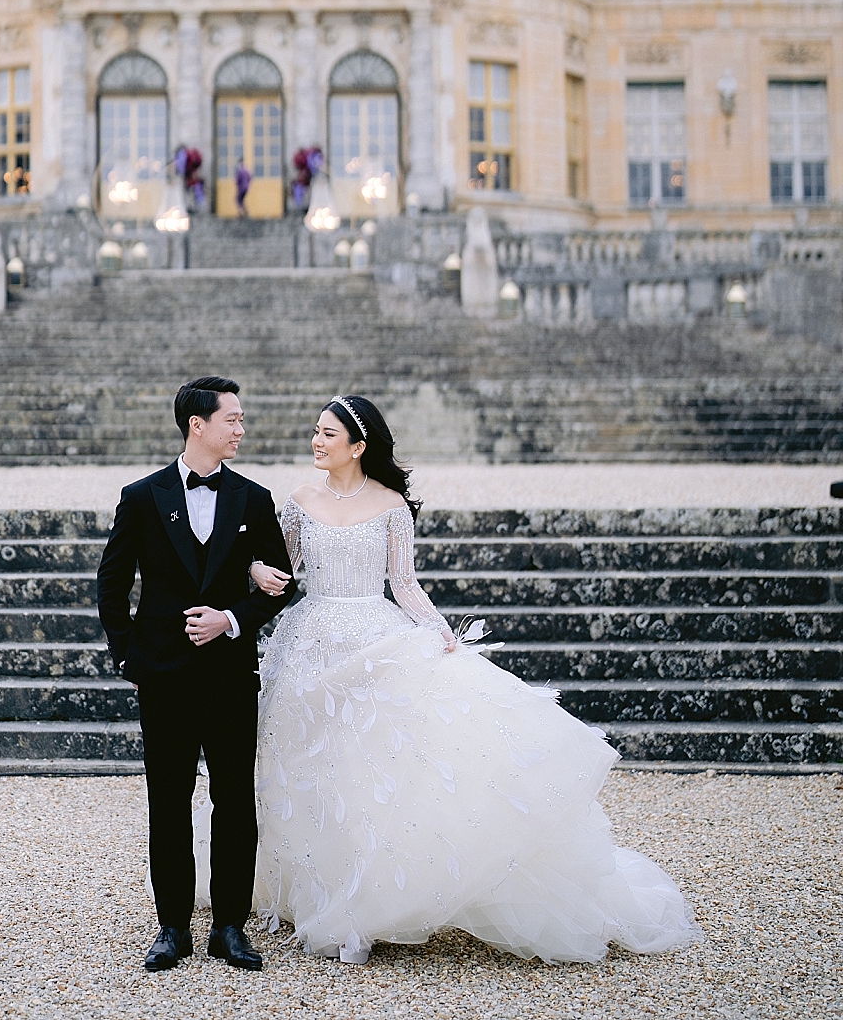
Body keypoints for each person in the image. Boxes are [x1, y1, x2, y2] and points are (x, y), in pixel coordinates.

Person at [245, 396, 703, 966]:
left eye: (327, 434)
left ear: (358, 446)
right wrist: (257, 571)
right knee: (310, 767)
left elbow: (405, 584)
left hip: (372, 639)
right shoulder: (297, 503)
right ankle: (311, 886)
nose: (316, 441)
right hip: (308, 644)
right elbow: (277, 572)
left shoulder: (391, 506)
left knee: (370, 770)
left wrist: (442, 635)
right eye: (315, 431)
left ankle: (366, 896)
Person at [96, 376, 294, 974]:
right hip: (164, 676)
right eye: (231, 418)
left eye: (240, 418)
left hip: (232, 675)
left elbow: (283, 584)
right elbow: (112, 583)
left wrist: (233, 617)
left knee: (235, 800)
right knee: (169, 800)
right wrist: (129, 654)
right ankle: (172, 926)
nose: (241, 427)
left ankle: (230, 926)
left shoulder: (255, 499)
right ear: (197, 425)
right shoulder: (141, 496)